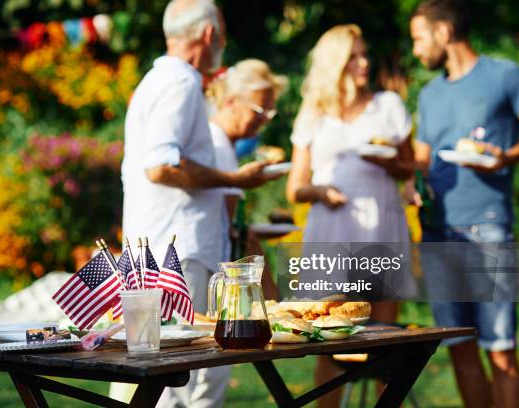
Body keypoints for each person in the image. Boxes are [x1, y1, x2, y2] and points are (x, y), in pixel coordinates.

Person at [118, 1, 281, 407]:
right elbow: (160, 166)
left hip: (156, 246)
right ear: (209, 35)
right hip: (179, 253)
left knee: (166, 375)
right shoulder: (182, 82)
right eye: (222, 33)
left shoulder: (154, 81)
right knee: (178, 379)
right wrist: (234, 179)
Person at [285, 24, 417, 407]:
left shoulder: (388, 105)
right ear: (335, 64)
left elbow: (409, 168)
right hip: (331, 229)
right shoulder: (314, 113)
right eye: (354, 57)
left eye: (364, 54)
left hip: (382, 226)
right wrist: (321, 191)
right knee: (329, 337)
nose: (364, 63)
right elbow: (296, 187)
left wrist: (390, 162)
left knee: (383, 340)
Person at [410, 1, 519, 407]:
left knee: (500, 346)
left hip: (488, 226)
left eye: (419, 38)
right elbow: (422, 157)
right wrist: (410, 180)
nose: (415, 50)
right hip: (439, 231)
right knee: (458, 345)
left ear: (444, 33)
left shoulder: (505, 75)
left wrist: (507, 157)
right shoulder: (429, 94)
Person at [206, 59, 287, 297]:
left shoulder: (225, 145)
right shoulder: (216, 144)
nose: (264, 120)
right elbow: (232, 223)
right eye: (259, 111)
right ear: (231, 102)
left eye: (270, 112)